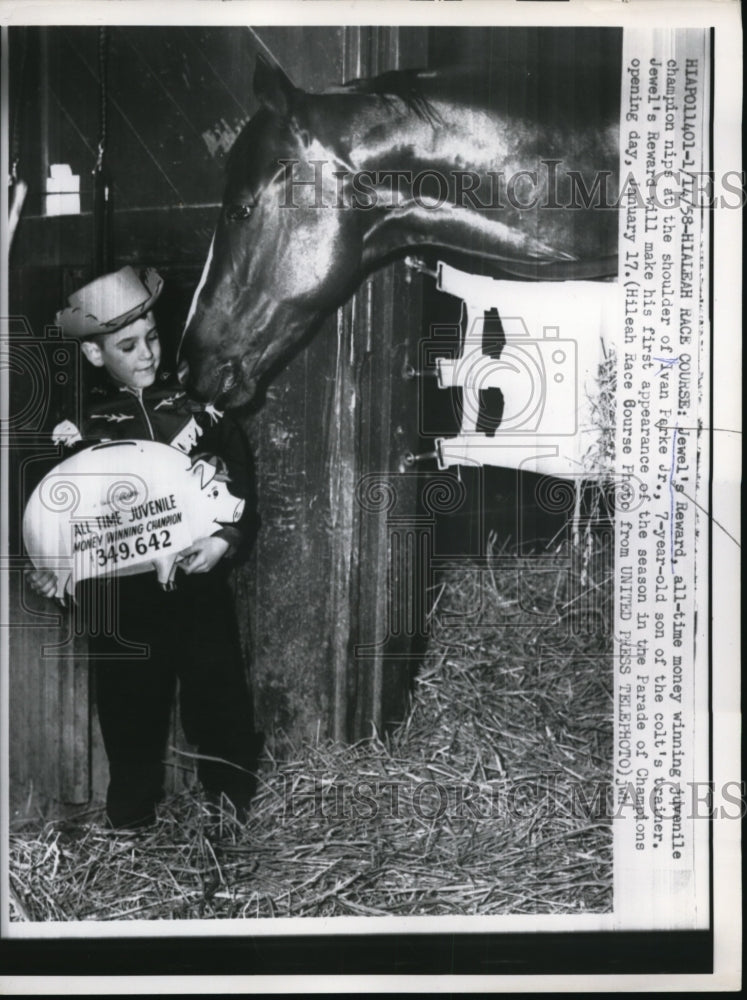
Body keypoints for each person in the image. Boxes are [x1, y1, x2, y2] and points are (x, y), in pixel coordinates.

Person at [27, 265, 262, 829]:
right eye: (127, 345)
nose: (146, 354)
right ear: (93, 355)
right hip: (122, 605)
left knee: (219, 700)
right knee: (129, 715)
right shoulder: (77, 434)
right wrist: (55, 573)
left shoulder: (200, 413)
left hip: (197, 588)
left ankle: (231, 812)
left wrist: (223, 541)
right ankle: (129, 823)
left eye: (152, 337)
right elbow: (62, 522)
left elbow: (240, 491)